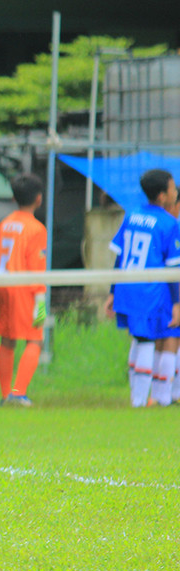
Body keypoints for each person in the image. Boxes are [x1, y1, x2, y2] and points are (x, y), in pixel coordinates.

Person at [104, 169, 180, 407]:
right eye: (172, 188)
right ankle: (141, 401)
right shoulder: (169, 223)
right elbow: (173, 270)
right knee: (150, 339)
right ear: (162, 196)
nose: (175, 192)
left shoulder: (131, 215)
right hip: (151, 290)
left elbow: (120, 257)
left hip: (127, 286)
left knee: (138, 339)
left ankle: (146, 397)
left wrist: (112, 291)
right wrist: (177, 302)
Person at [0, 173, 47, 407]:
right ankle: (18, 392)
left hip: (2, 285)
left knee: (7, 339)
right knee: (35, 339)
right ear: (38, 198)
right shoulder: (36, 228)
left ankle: (6, 395)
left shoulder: (5, 223)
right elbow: (36, 266)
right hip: (23, 288)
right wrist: (40, 299)